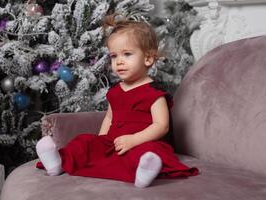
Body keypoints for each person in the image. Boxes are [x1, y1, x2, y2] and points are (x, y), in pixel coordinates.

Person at [36, 14, 198, 188]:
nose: (119, 61)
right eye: (114, 56)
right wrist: (100, 142)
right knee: (84, 142)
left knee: (148, 152)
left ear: (148, 58)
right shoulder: (115, 91)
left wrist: (134, 140)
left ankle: (144, 171)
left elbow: (161, 126)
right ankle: (57, 163)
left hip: (143, 142)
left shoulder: (154, 93)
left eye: (127, 54)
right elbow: (109, 118)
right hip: (113, 143)